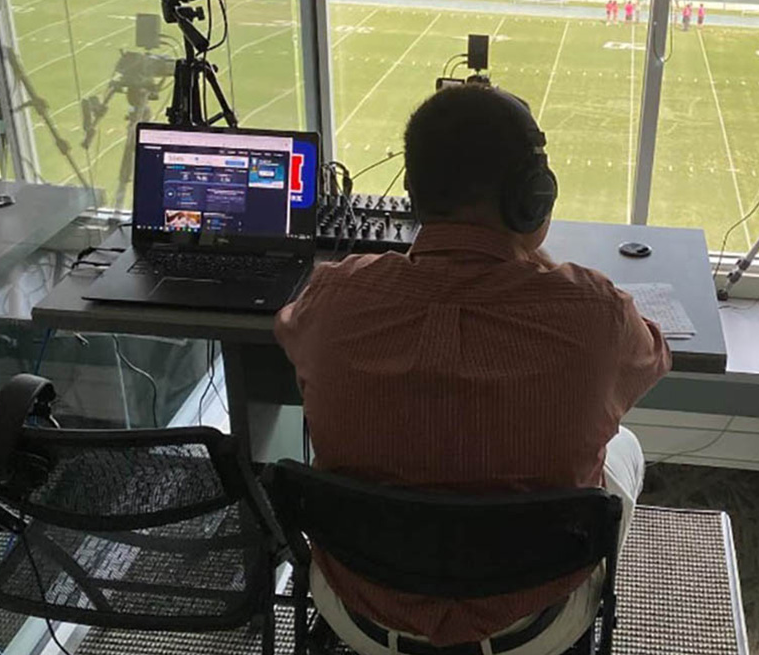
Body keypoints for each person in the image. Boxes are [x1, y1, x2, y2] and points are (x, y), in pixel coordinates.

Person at [275, 84, 671, 655]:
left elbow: (287, 328)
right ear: (532, 197)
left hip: (361, 610)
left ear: (412, 193)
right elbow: (654, 356)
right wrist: (535, 266)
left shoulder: (333, 298)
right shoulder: (597, 314)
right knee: (625, 444)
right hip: (531, 620)